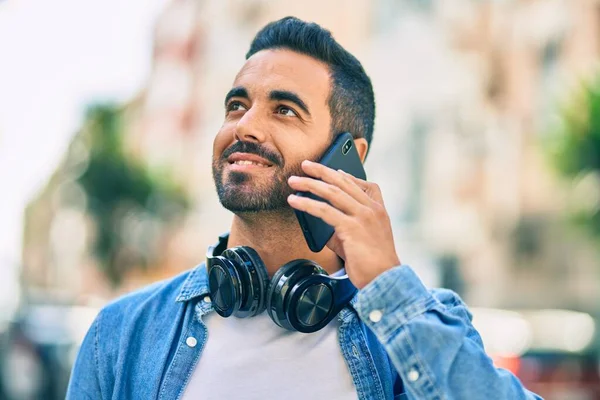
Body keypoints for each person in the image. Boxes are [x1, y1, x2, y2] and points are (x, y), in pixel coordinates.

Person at [67, 17, 541, 400]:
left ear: (346, 157)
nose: (245, 126)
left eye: (284, 110)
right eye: (237, 105)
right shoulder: (122, 334)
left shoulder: (415, 329)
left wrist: (385, 285)